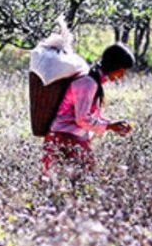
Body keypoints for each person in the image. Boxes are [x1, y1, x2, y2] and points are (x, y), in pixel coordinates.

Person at [42, 43, 135, 172]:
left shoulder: (92, 81)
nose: (122, 75)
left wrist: (112, 124)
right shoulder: (88, 83)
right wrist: (109, 126)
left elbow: (88, 115)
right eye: (122, 70)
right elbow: (82, 119)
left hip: (61, 138)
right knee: (83, 184)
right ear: (115, 66)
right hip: (66, 139)